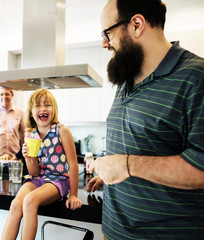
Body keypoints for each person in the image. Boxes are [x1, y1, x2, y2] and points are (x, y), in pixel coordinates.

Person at [88, 0, 204, 239]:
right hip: (112, 231)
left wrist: (126, 165)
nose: (103, 43)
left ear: (137, 25)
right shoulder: (126, 78)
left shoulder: (196, 77)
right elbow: (139, 142)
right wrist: (110, 174)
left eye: (107, 34)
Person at [1, 89, 82, 240]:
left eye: (47, 105)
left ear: (54, 110)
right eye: (38, 105)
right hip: (39, 179)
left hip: (58, 180)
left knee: (30, 200)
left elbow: (73, 164)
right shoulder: (31, 136)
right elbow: (35, 173)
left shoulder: (62, 131)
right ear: (31, 113)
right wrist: (28, 157)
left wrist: (74, 195)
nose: (43, 108)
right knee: (16, 204)